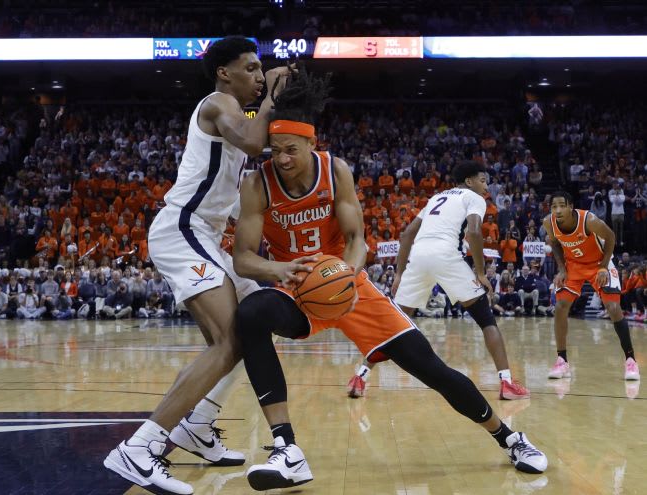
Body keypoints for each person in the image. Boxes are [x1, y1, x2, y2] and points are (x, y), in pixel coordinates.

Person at [232, 68, 546, 491]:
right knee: (251, 313)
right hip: (295, 288)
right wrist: (280, 271)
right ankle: (287, 449)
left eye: (290, 149)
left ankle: (510, 439)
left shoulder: (334, 170)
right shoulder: (257, 183)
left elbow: (357, 240)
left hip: (346, 282)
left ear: (311, 142)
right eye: (274, 150)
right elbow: (244, 259)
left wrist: (344, 275)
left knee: (431, 369)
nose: (281, 159)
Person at [103, 36, 292, 495]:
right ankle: (140, 448)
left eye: (259, 69)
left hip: (203, 233)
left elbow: (256, 154)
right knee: (229, 340)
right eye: (249, 68)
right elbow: (252, 142)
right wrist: (271, 97)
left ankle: (199, 426)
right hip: (184, 228)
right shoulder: (218, 102)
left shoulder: (236, 116)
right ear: (224, 72)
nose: (256, 76)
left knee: (248, 331)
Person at [349, 161, 529, 401]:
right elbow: (475, 232)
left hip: (419, 257)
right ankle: (507, 383)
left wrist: (400, 273)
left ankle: (360, 377)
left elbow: (406, 234)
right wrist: (481, 273)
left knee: (392, 327)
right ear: (469, 181)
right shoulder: (473, 197)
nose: (487, 186)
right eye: (483, 180)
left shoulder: (436, 197)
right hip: (446, 256)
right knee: (486, 320)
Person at [543, 191, 639, 381]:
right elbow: (554, 244)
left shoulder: (589, 220)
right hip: (574, 266)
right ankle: (562, 361)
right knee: (561, 307)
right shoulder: (549, 223)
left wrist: (603, 267)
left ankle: (631, 361)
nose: (558, 210)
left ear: (571, 207)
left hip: (598, 264)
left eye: (562, 206)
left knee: (613, 308)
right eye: (554, 207)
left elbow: (610, 236)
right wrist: (562, 270)